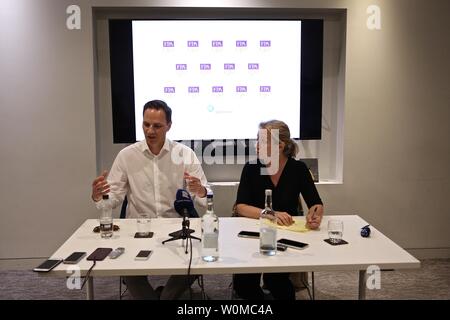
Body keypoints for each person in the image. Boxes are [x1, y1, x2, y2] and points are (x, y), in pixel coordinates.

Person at [91, 100, 208, 300]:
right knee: (129, 273)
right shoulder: (127, 156)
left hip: (176, 228)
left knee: (196, 263)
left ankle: (166, 296)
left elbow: (206, 198)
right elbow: (112, 199)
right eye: (146, 124)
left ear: (169, 126)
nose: (150, 131)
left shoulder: (184, 154)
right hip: (139, 230)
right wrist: (99, 196)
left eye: (157, 126)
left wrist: (201, 190)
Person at [233, 120, 324, 300]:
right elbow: (240, 207)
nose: (256, 146)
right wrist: (270, 214)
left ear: (280, 146)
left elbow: (316, 203)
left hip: (286, 236)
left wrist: (315, 216)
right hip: (254, 234)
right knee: (244, 284)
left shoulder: (298, 169)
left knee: (277, 281)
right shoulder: (251, 168)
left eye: (262, 141)